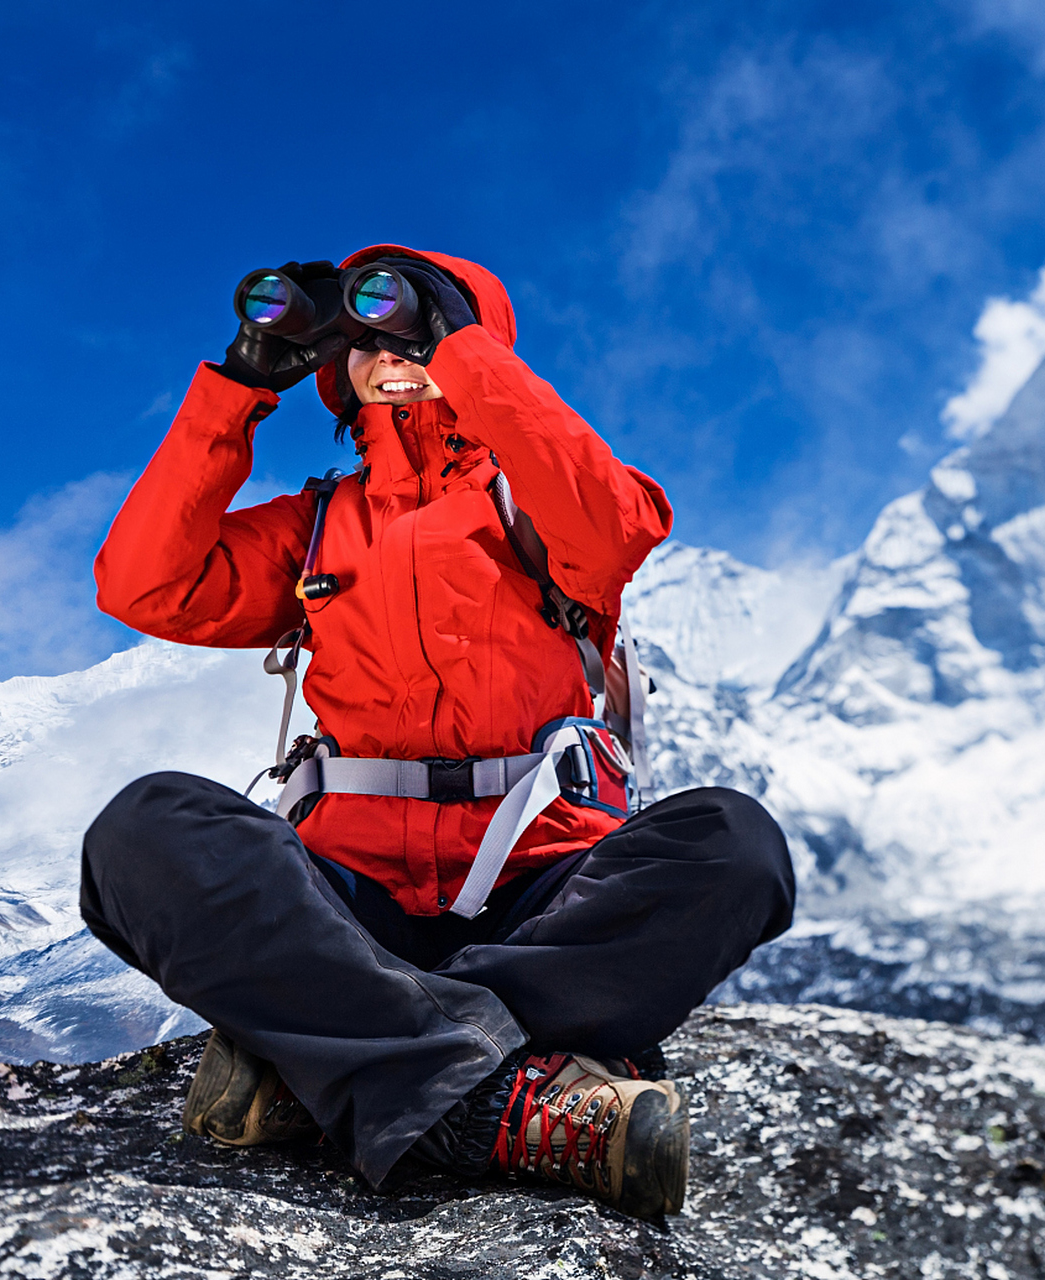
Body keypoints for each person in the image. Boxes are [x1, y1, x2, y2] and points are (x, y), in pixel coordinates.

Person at [76, 245, 796, 1220]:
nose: (386, 347)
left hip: (542, 893)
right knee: (145, 828)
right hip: (354, 903)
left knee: (734, 844)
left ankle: (333, 1057)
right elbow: (144, 584)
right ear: (334, 368)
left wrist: (461, 349)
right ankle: (513, 1086)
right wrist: (238, 385)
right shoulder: (316, 526)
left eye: (406, 321)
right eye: (359, 335)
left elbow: (616, 524)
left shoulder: (537, 502)